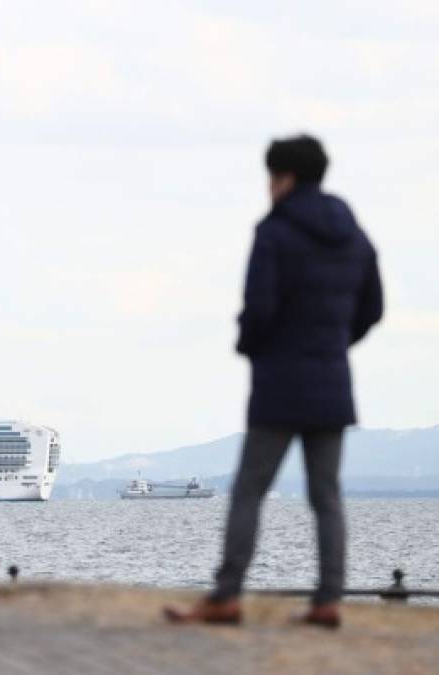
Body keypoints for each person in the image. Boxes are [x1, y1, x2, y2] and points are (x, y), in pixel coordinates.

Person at [164, 134, 384, 628]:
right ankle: (329, 601)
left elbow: (258, 307)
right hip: (331, 379)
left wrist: (250, 346)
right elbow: (373, 306)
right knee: (327, 496)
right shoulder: (351, 231)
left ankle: (225, 596)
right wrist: (336, 341)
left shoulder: (275, 230)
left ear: (283, 178)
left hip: (280, 381)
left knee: (249, 490)